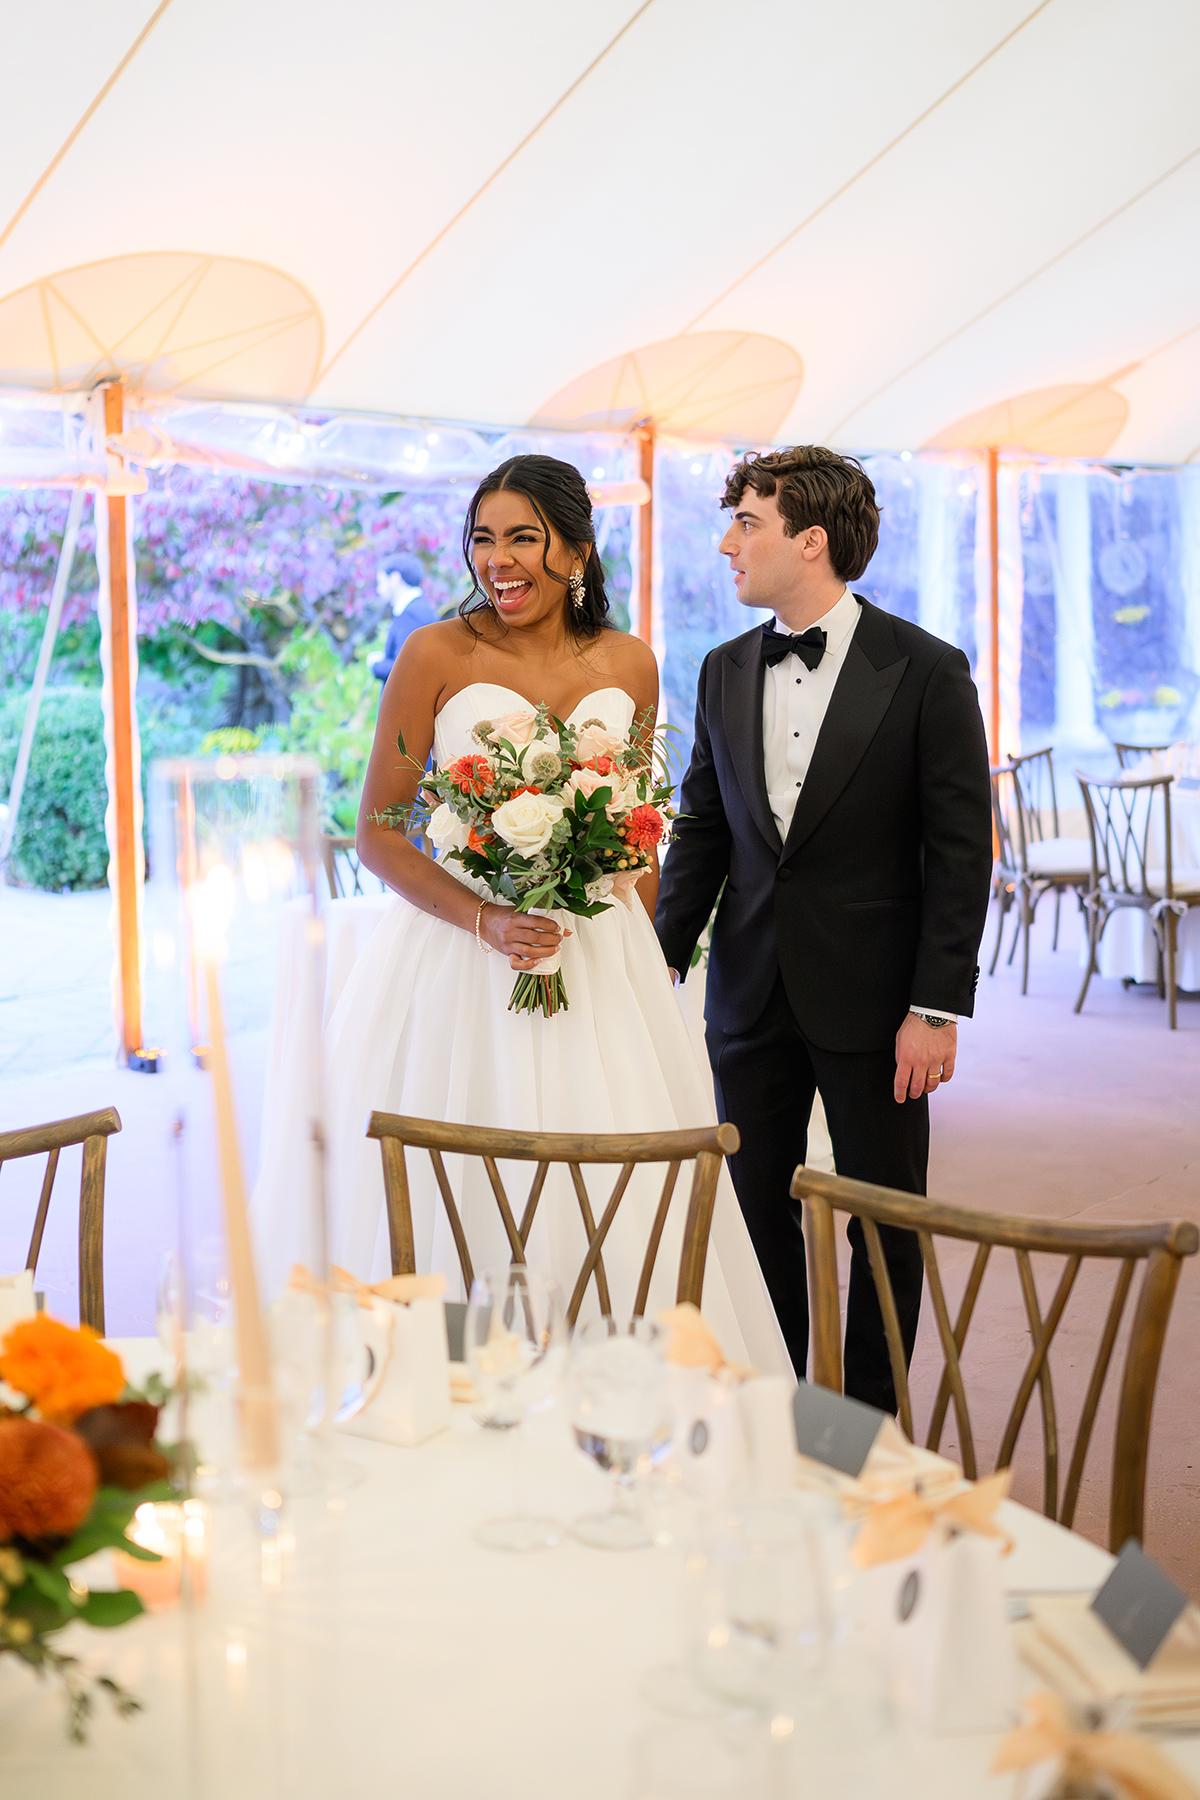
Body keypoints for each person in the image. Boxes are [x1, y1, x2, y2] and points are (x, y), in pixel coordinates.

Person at [254, 455, 788, 1373]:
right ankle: (446, 1386)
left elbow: (643, 835)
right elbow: (380, 835)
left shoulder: (631, 663)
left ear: (576, 550)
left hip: (600, 959)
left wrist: (648, 956)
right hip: (461, 963)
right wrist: (488, 920)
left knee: (614, 1186)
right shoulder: (436, 655)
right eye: (484, 539)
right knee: (455, 1181)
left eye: (524, 539)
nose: (500, 560)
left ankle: (609, 1396)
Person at [655, 447, 992, 1411]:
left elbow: (961, 853)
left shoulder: (926, 670)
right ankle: (774, 1423)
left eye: (747, 524)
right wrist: (659, 960)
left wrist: (935, 1006)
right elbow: (706, 831)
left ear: (810, 541)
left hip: (880, 1001)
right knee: (755, 1217)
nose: (728, 544)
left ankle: (862, 1439)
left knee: (882, 1224)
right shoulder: (723, 670)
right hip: (750, 992)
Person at [370, 552, 441, 682]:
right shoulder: (416, 609)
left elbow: (407, 669)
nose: (379, 589)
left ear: (395, 578)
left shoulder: (412, 614)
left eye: (381, 582)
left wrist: (376, 664)